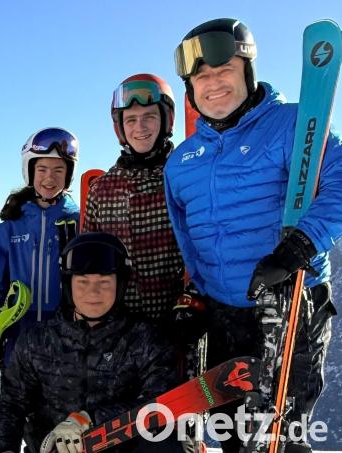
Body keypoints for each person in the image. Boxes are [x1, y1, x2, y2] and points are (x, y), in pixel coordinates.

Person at [165, 18, 342, 452]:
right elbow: (187, 238)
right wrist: (195, 295)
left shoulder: (294, 125)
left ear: (247, 70)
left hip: (292, 301)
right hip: (224, 313)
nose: (213, 84)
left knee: (281, 434)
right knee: (229, 431)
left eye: (223, 70)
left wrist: (298, 246)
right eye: (201, 76)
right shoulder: (181, 161)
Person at [0, 233, 178, 453]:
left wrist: (90, 419)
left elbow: (160, 403)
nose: (93, 292)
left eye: (104, 282)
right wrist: (5, 449)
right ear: (68, 284)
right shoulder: (37, 340)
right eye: (82, 282)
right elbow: (12, 403)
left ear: (120, 284)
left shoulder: (144, 338)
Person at [82, 73, 185, 321]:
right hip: (122, 326)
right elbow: (89, 261)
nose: (140, 127)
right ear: (120, 128)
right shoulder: (103, 189)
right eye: (131, 120)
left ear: (166, 120)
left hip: (179, 320)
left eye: (149, 116)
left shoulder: (183, 177)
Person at [0, 127, 80, 363]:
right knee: (18, 397)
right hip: (19, 329)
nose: (50, 178)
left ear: (68, 174)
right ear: (30, 171)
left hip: (63, 330)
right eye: (42, 169)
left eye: (59, 170)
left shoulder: (77, 221)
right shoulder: (11, 226)